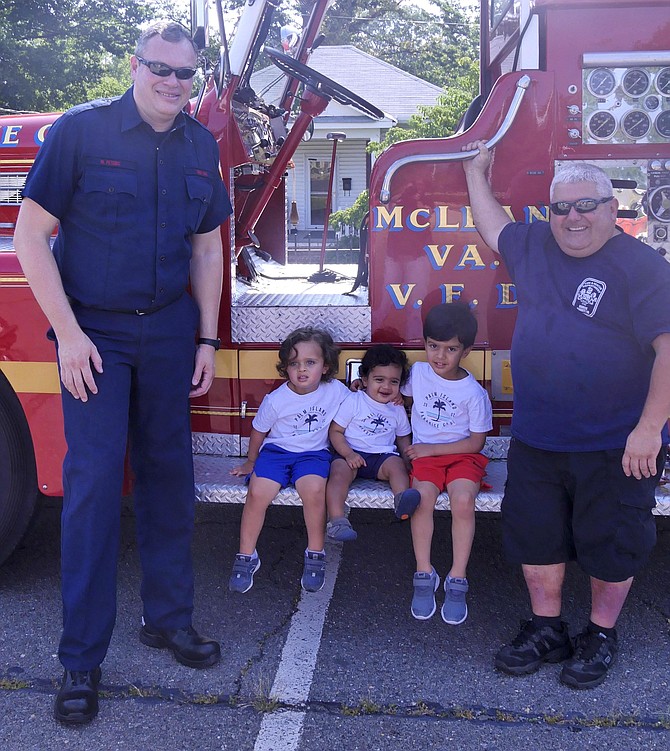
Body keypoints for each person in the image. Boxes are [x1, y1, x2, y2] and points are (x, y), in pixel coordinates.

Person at [14, 22, 232, 724]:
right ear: (134, 64)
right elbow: (29, 237)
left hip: (170, 331)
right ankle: (80, 658)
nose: (172, 82)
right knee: (93, 488)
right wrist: (69, 336)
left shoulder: (201, 148)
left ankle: (168, 619)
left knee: (171, 479)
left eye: (185, 73)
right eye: (160, 68)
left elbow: (206, 251)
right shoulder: (82, 132)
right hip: (96, 336)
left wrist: (205, 337)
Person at [463, 141, 670, 688]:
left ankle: (600, 634)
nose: (573, 217)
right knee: (538, 536)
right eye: (561, 207)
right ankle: (546, 628)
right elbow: (495, 227)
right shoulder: (534, 245)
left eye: (587, 205)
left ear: (611, 207)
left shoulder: (642, 266)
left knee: (613, 541)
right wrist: (474, 172)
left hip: (617, 441)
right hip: (539, 436)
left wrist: (649, 432)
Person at [228, 327, 349, 594]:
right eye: (294, 363)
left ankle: (315, 553)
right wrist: (251, 461)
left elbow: (358, 405)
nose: (302, 370)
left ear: (326, 367)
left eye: (310, 363)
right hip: (277, 453)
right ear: (286, 368)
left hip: (314, 454)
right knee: (257, 493)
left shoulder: (337, 391)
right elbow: (259, 431)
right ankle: (246, 555)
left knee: (315, 491)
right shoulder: (277, 399)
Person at [402, 302, 493, 625]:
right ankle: (424, 573)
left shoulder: (473, 393)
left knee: (463, 500)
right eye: (433, 346)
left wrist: (429, 450)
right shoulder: (419, 373)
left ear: (466, 351)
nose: (440, 356)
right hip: (426, 456)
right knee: (421, 500)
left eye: (451, 349)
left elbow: (476, 442)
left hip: (462, 456)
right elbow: (402, 398)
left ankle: (457, 578)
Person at [326, 344, 420, 542]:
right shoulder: (354, 401)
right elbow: (335, 431)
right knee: (338, 475)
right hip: (351, 454)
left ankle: (402, 501)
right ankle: (337, 520)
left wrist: (408, 459)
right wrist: (348, 454)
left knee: (397, 467)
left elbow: (402, 437)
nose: (386, 387)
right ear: (365, 379)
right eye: (379, 380)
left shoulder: (397, 408)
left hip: (382, 457)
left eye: (393, 382)